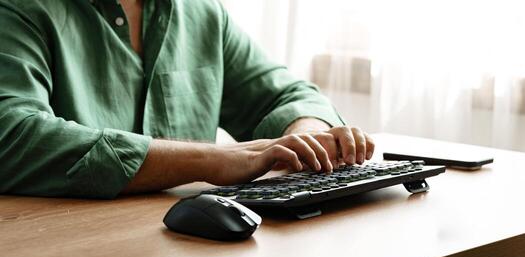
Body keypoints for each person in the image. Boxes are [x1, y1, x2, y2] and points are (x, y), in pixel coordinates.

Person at [0, 0, 374, 199]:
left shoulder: (202, 12)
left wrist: (306, 137)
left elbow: (291, 95)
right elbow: (12, 135)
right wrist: (213, 161)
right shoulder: (19, 9)